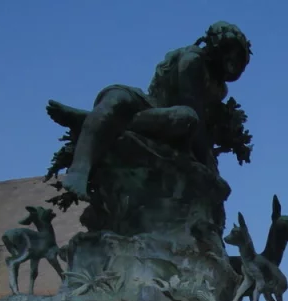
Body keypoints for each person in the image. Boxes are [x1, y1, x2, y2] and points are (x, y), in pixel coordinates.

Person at [49, 22, 253, 198]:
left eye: (238, 59)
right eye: (231, 55)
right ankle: (79, 170)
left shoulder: (220, 89)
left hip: (175, 120)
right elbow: (189, 100)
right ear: (218, 46)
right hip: (150, 104)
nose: (232, 64)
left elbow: (198, 117)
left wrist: (209, 163)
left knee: (187, 117)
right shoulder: (193, 59)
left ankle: (93, 119)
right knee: (117, 96)